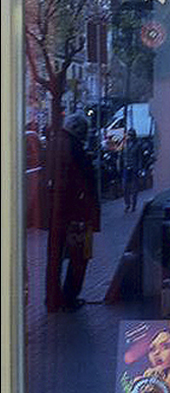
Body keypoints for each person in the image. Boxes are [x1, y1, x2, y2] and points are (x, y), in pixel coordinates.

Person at [45, 111, 100, 311]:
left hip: (56, 211)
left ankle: (52, 298)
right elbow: (86, 183)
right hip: (77, 213)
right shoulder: (76, 150)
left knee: (55, 256)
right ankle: (70, 297)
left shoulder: (53, 144)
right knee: (79, 257)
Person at [122, 128, 142, 212]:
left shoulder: (138, 145)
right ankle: (127, 204)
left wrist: (140, 168)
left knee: (134, 187)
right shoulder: (125, 144)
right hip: (126, 167)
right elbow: (121, 155)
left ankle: (133, 205)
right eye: (129, 135)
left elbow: (140, 158)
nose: (130, 136)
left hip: (134, 168)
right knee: (125, 187)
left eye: (131, 135)